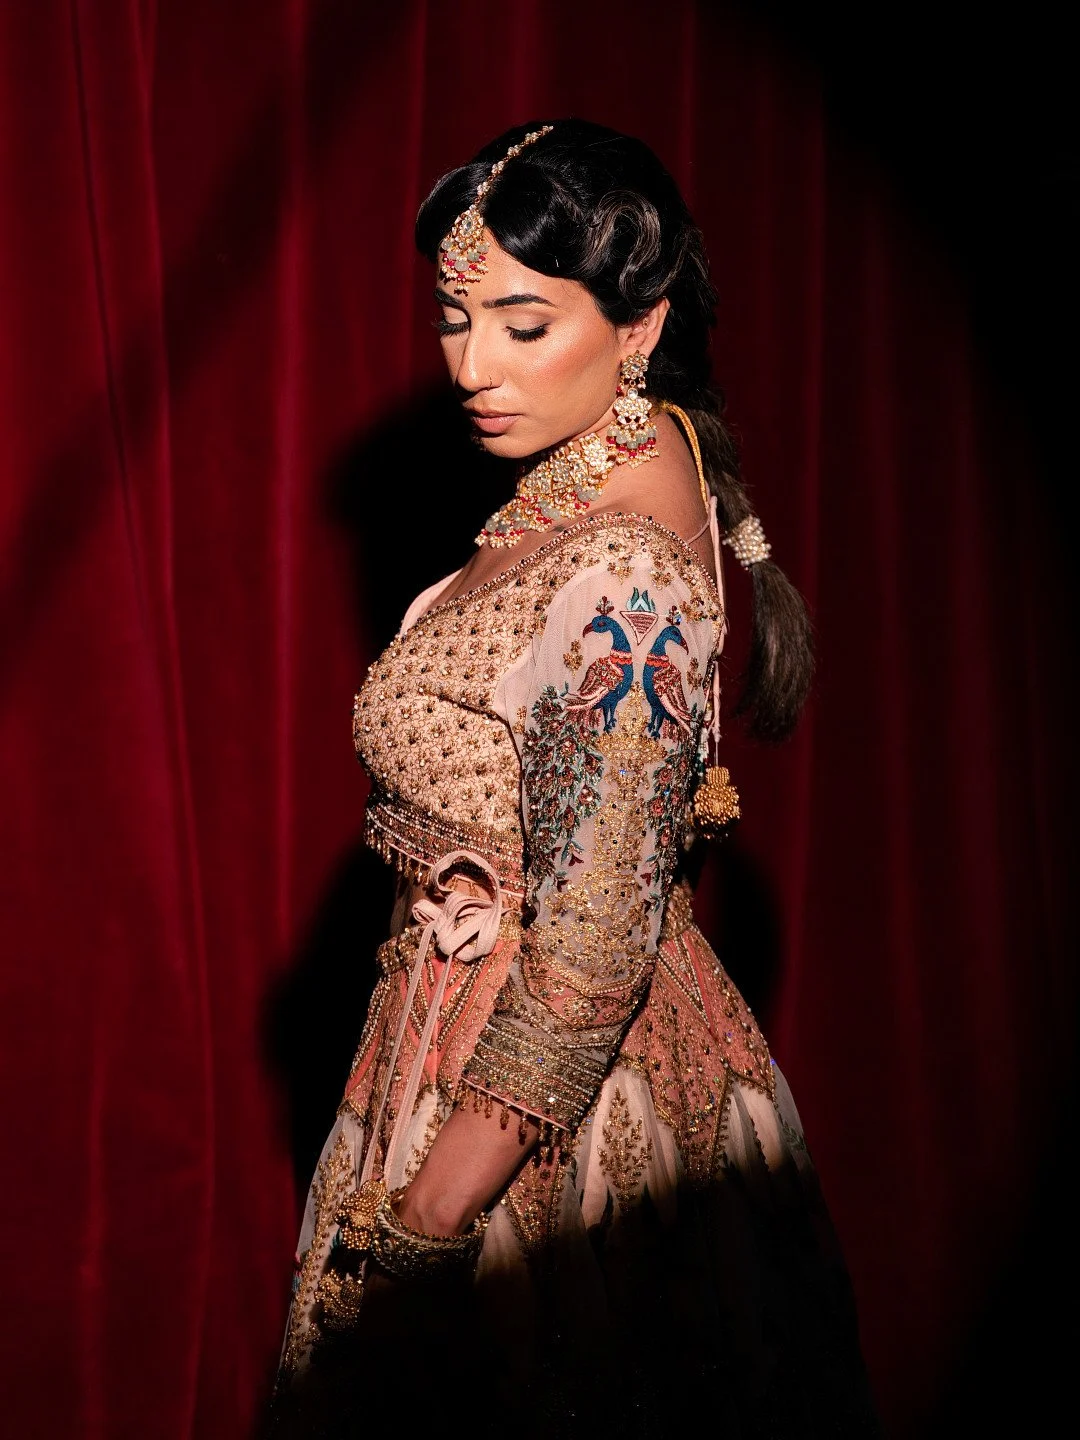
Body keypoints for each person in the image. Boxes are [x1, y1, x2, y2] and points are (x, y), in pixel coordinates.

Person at [267, 119, 880, 1438]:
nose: (472, 367)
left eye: (524, 326)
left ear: (638, 327)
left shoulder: (627, 570)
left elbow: (593, 950)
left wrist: (429, 1224)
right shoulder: (616, 460)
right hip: (463, 1031)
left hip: (538, 1111)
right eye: (455, 317)